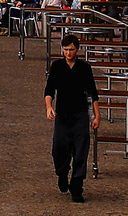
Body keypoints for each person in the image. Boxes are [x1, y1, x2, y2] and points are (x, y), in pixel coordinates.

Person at [45, 33, 99, 202]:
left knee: (81, 151)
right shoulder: (57, 67)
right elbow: (49, 90)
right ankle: (62, 173)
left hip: (80, 115)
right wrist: (48, 107)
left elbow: (92, 93)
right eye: (66, 50)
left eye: (72, 50)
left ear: (77, 50)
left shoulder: (84, 68)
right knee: (58, 150)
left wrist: (97, 116)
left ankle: (77, 186)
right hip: (62, 115)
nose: (69, 53)